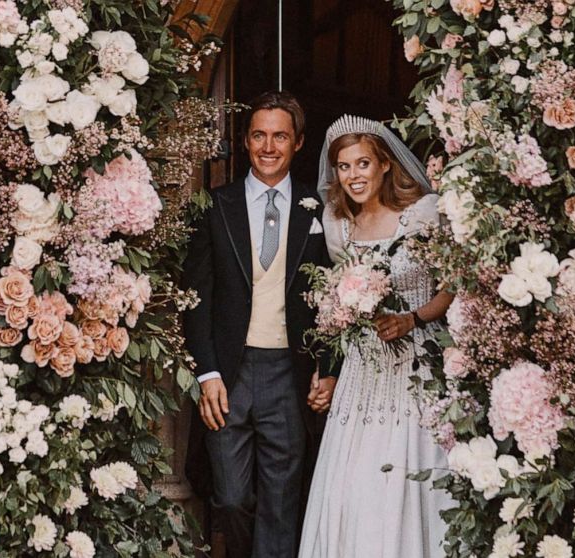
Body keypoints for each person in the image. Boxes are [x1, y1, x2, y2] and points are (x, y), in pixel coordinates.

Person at [182, 91, 339, 558]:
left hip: (290, 373)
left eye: (280, 136)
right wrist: (206, 372)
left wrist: (327, 367)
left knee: (281, 504)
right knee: (230, 497)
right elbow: (196, 300)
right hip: (230, 373)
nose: (268, 146)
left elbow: (338, 302)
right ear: (246, 140)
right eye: (258, 135)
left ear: (299, 143)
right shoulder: (214, 206)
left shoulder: (322, 210)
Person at [299, 115, 455, 558]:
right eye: (344, 167)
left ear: (385, 164)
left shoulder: (423, 214)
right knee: (354, 479)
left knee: (405, 470)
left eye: (362, 164)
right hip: (362, 370)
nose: (353, 176)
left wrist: (414, 318)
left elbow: (455, 281)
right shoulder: (338, 225)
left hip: (416, 365)